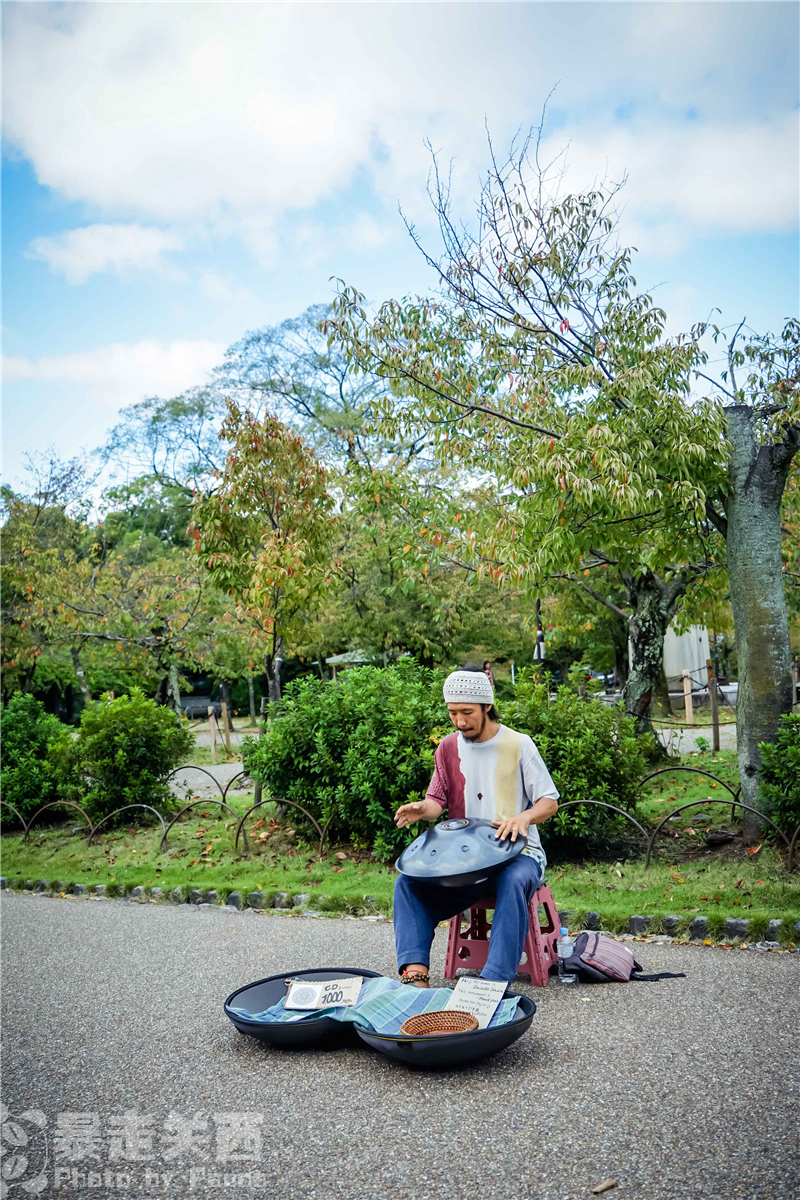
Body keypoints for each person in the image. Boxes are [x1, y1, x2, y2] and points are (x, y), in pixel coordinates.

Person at [393, 668, 559, 986]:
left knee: (512, 881)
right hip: (465, 863)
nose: (460, 721)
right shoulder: (447, 748)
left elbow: (548, 802)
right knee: (408, 885)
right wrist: (421, 809)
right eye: (452, 713)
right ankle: (415, 974)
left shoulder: (518, 745)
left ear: (486, 706)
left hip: (520, 853)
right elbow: (435, 803)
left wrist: (523, 818)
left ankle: (492, 982)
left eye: (467, 712)